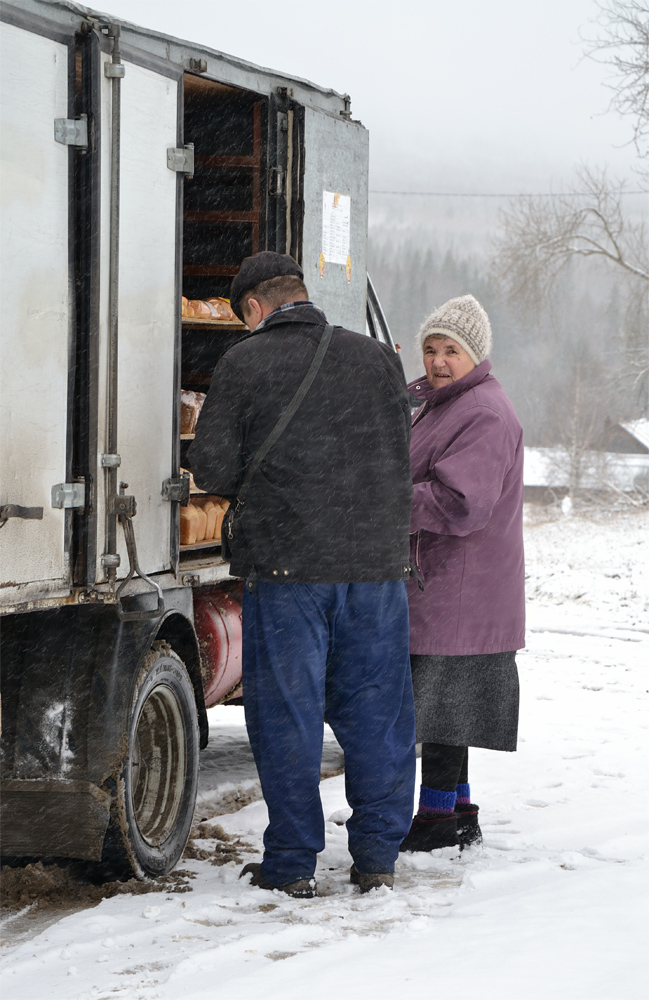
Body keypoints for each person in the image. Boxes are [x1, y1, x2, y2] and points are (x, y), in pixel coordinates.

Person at [188, 251, 416, 896]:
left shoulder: (244, 363)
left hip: (287, 571)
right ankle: (377, 858)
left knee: (287, 718)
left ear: (254, 309)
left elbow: (213, 471)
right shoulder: (376, 358)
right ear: (303, 294)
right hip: (375, 570)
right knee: (378, 714)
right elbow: (402, 451)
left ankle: (291, 864)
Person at [400, 294, 525, 853]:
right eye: (430, 349)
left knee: (443, 708)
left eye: (451, 349)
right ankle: (460, 809)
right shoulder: (449, 404)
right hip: (454, 584)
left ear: (475, 354)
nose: (438, 360)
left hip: (459, 586)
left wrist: (386, 501)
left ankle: (434, 822)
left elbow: (462, 501)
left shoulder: (482, 412)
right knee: (453, 707)